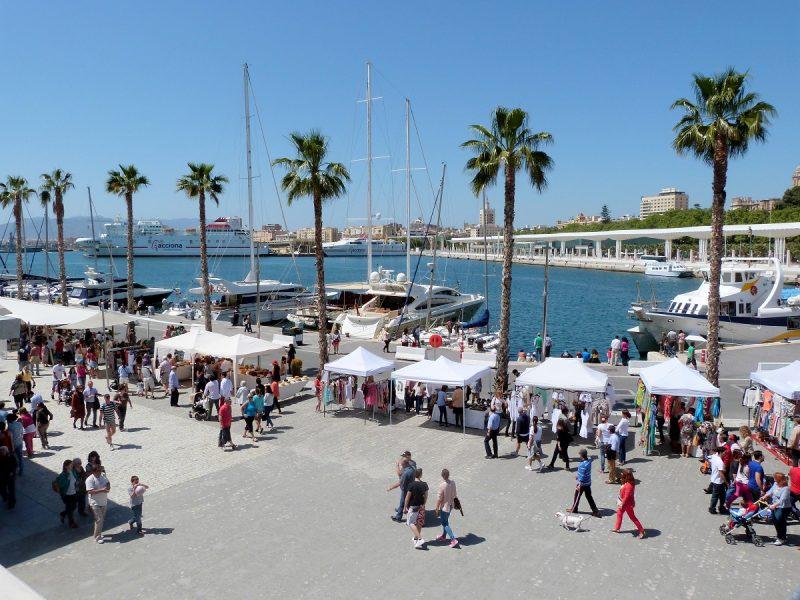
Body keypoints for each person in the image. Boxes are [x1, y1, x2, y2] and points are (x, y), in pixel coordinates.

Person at [760, 472, 791, 545]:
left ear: (780, 480)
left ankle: (782, 538)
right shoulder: (775, 484)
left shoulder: (786, 488)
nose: (774, 481)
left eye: (776, 479)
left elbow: (782, 500)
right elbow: (770, 491)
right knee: (775, 521)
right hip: (774, 506)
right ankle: (780, 535)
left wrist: (774, 505)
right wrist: (764, 496)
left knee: (779, 522)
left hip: (783, 507)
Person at [612, 469, 645, 538]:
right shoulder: (629, 482)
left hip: (627, 504)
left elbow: (626, 497)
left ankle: (642, 531)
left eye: (623, 474)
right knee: (619, 513)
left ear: (626, 476)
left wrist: (621, 504)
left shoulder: (629, 485)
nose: (621, 475)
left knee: (632, 517)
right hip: (626, 503)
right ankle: (617, 528)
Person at [570, 449, 600, 516]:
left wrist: (579, 484)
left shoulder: (582, 464)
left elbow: (582, 476)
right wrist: (578, 477)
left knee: (576, 496)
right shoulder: (589, 461)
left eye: (580, 455)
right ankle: (595, 510)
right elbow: (584, 473)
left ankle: (574, 509)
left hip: (582, 484)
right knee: (589, 496)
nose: (579, 456)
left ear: (581, 455)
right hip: (588, 482)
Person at [404, 468, 428, 549]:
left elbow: (407, 497)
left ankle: (420, 539)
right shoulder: (424, 484)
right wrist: (424, 504)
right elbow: (426, 496)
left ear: (415, 475)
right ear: (421, 475)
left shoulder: (411, 485)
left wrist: (405, 507)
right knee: (419, 523)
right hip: (421, 506)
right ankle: (416, 539)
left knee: (410, 523)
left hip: (413, 507)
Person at [86, 462, 110, 543]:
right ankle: (97, 537)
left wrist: (108, 487)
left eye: (100, 470)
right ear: (93, 472)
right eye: (98, 471)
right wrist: (102, 490)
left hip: (103, 501)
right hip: (95, 502)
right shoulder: (90, 480)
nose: (100, 472)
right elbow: (90, 491)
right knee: (99, 519)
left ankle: (98, 533)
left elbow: (107, 482)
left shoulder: (103, 476)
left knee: (100, 519)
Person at [434, 469, 459, 548]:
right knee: (446, 521)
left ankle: (453, 540)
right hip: (451, 505)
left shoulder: (442, 485)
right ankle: (444, 536)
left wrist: (436, 508)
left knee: (444, 523)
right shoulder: (453, 482)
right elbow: (455, 494)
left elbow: (439, 499)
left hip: (444, 508)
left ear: (443, 476)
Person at [388, 457, 416, 522]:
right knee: (408, 503)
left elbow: (401, 483)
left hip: (406, 490)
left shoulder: (406, 473)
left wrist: (391, 487)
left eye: (402, 464)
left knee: (402, 503)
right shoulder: (413, 468)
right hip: (411, 488)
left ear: (405, 464)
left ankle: (398, 517)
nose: (401, 466)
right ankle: (412, 516)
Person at [54, 459, 78, 528]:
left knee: (74, 506)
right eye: (71, 465)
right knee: (70, 509)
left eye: (72, 465)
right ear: (66, 466)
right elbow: (61, 485)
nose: (72, 466)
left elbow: (75, 479)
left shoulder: (73, 471)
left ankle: (63, 514)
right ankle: (71, 523)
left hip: (74, 492)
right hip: (66, 495)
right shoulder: (62, 475)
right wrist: (67, 479)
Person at [708, 446, 728, 514]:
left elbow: (708, 458)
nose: (725, 454)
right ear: (721, 452)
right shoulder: (720, 461)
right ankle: (712, 508)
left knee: (722, 496)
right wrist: (726, 482)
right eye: (725, 452)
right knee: (716, 496)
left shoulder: (714, 456)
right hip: (718, 482)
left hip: (714, 479)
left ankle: (720, 508)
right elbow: (721, 473)